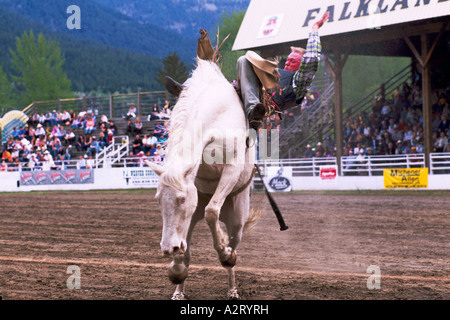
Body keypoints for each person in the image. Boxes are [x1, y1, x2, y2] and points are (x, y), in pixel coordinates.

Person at [165, 12, 330, 131]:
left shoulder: (298, 82)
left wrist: (314, 29)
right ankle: (188, 90)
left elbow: (312, 60)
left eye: (293, 61)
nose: (287, 62)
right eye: (287, 59)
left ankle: (253, 110)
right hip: (245, 92)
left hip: (265, 107)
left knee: (243, 60)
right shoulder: (274, 72)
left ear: (300, 66)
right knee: (229, 64)